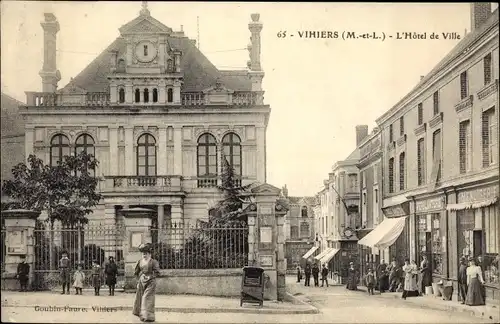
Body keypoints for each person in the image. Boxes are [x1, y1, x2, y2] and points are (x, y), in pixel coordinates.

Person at [133, 243, 160, 322]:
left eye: (146, 253)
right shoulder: (140, 262)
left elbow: (157, 272)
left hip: (151, 282)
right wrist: (138, 280)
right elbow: (136, 272)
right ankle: (141, 314)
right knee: (140, 298)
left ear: (149, 254)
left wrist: (151, 276)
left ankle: (148, 316)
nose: (144, 255)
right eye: (143, 253)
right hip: (142, 282)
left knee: (147, 298)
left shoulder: (153, 262)